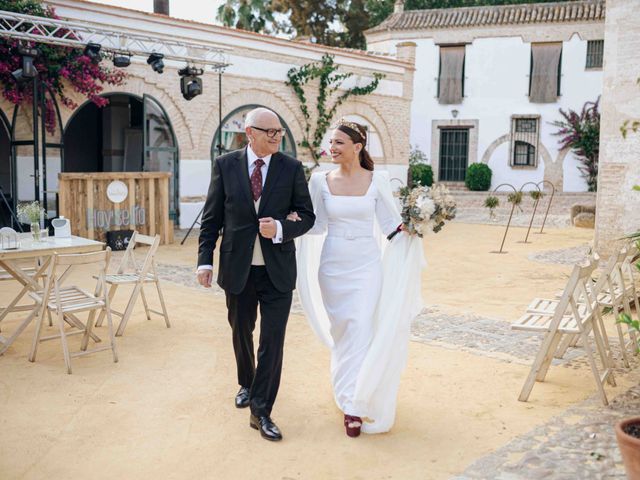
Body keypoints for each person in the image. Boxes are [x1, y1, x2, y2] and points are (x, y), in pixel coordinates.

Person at [294, 119, 424, 437]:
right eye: (331, 142)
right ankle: (346, 388)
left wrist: (415, 227)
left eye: (339, 142)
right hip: (332, 267)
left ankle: (354, 405)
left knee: (362, 328)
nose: (332, 148)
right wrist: (289, 224)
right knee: (343, 332)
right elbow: (318, 225)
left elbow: (389, 227)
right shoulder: (319, 181)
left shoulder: (377, 180)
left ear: (357, 146)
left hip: (366, 267)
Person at [197, 107, 315, 442]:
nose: (277, 137)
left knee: (272, 341)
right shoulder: (225, 165)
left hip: (278, 270)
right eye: (270, 132)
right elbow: (212, 218)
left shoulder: (291, 168)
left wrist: (279, 227)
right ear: (250, 133)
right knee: (241, 331)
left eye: (279, 132)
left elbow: (307, 215)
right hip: (238, 268)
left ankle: (261, 409)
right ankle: (246, 382)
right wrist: (205, 260)